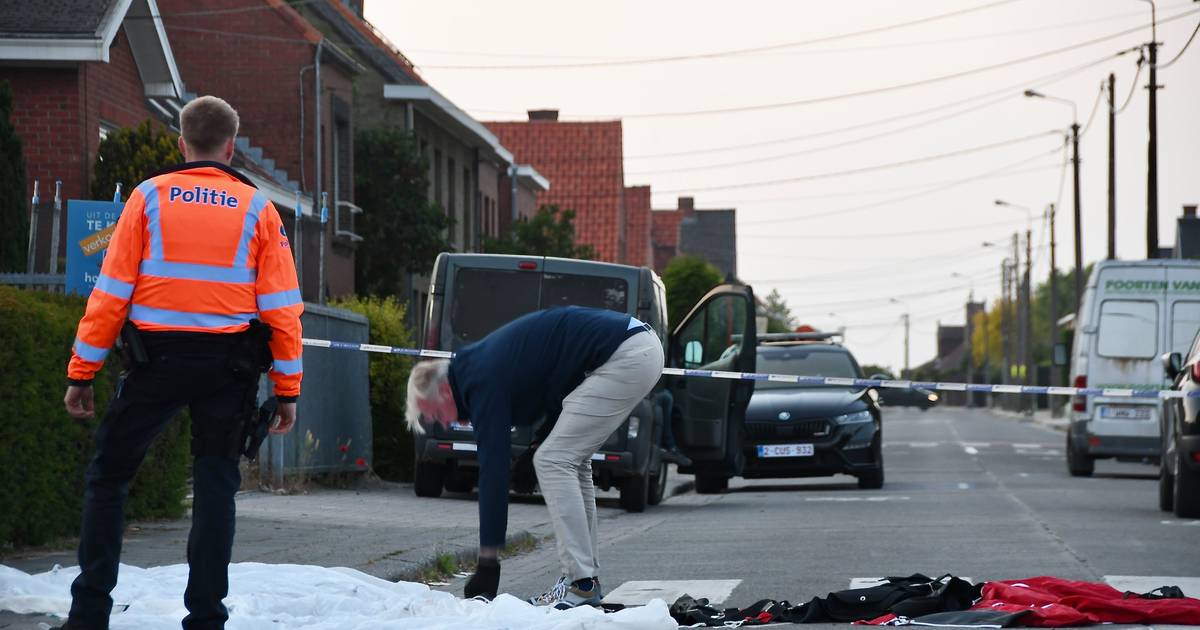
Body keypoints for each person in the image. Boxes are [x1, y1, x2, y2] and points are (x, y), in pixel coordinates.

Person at [59, 95, 304, 630]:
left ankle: (88, 613)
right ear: (232, 146)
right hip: (229, 370)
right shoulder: (258, 208)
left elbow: (110, 295)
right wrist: (287, 389)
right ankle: (206, 618)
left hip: (155, 364)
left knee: (109, 477)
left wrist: (82, 372)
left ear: (181, 142)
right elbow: (283, 310)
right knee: (216, 485)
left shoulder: (147, 198)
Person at [406, 306, 664, 609]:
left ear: (444, 392)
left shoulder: (479, 378)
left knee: (553, 460)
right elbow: (556, 387)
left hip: (627, 354)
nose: (444, 423)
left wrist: (488, 561)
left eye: (435, 414)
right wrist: (536, 444)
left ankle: (580, 582)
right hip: (637, 348)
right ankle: (584, 580)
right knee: (572, 460)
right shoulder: (477, 367)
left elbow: (493, 470)